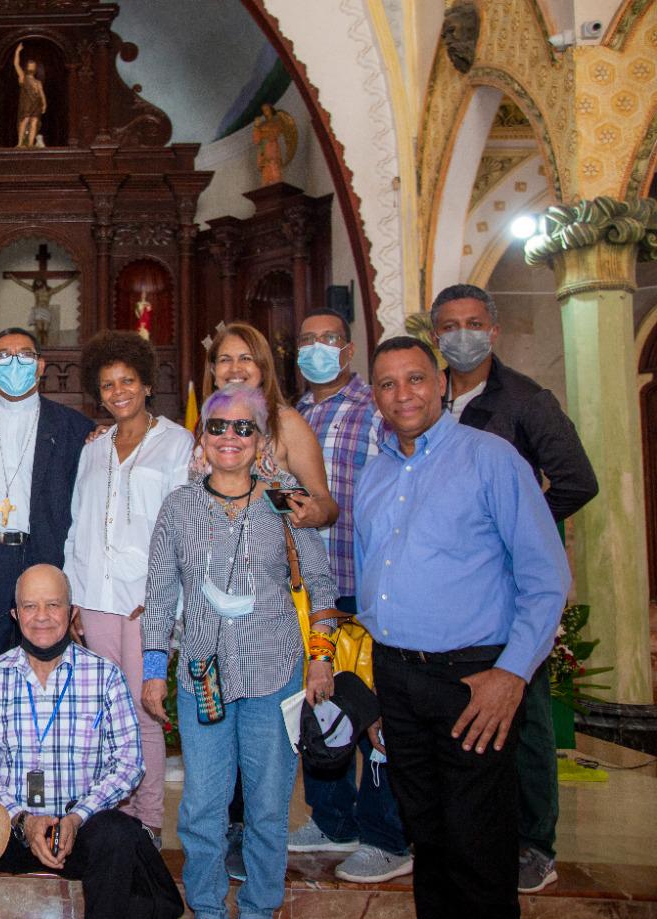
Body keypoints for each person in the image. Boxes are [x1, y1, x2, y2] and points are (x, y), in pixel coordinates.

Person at [355, 336, 571, 919]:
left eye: (416, 378)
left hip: (474, 679)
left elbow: (545, 577)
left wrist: (510, 673)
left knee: (478, 843)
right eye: (387, 383)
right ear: (374, 396)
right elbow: (378, 582)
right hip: (399, 676)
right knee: (427, 836)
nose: (403, 394)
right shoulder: (374, 474)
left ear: (443, 384)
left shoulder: (492, 459)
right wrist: (378, 685)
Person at [142, 383, 340, 919]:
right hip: (203, 676)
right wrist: (154, 670)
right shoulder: (179, 506)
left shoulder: (284, 501)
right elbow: (159, 595)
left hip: (274, 674)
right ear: (202, 439)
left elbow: (322, 588)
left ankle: (259, 909)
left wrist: (321, 657)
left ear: (260, 441)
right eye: (217, 427)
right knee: (203, 807)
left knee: (268, 807)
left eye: (243, 427)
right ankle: (206, 908)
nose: (229, 437)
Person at [430, 283, 597, 893]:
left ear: (493, 330)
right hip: (456, 583)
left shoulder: (526, 400)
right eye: (449, 325)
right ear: (435, 336)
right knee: (463, 709)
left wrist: (521, 523)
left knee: (521, 711)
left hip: (515, 581)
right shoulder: (432, 396)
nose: (462, 334)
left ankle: (535, 842)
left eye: (473, 322)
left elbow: (578, 479)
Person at [0, 563, 182, 919]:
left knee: (117, 833)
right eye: (30, 606)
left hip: (80, 830)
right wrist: (23, 819)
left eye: (53, 605)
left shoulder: (104, 676)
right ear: (15, 614)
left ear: (72, 613)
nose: (42, 617)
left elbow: (129, 764)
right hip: (14, 827)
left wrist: (76, 817)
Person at [287, 309, 411, 883]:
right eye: (307, 341)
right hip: (312, 588)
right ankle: (333, 819)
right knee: (322, 703)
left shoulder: (376, 411)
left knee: (376, 712)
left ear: (348, 348)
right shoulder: (292, 414)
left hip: (365, 583)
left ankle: (388, 835)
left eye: (327, 340)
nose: (316, 349)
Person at [63, 330, 191, 846]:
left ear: (145, 385)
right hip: (95, 596)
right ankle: (114, 811)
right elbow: (78, 523)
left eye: (127, 382)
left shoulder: (178, 443)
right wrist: (73, 593)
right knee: (104, 712)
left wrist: (169, 602)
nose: (118, 392)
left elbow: (187, 528)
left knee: (145, 709)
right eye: (108, 384)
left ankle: (149, 819)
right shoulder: (93, 448)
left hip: (147, 602)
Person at [0, 327, 95, 719]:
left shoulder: (73, 427)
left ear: (41, 366)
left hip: (43, 557)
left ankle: (45, 770)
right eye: (4, 356)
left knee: (45, 670)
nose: (15, 363)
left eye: (25, 356)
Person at [203, 322, 337, 528]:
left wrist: (307, 509)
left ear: (263, 368)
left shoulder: (286, 422)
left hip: (270, 552)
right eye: (225, 360)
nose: (235, 368)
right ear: (213, 370)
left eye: (246, 358)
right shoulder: (207, 422)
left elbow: (325, 503)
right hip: (210, 552)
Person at [13, 42, 46, 147]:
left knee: (34, 123)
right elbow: (16, 65)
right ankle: (20, 143)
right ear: (27, 67)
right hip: (27, 103)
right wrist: (17, 52)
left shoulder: (38, 82)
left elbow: (41, 93)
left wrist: (45, 103)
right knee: (25, 120)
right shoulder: (23, 77)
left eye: (33, 66)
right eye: (30, 66)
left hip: (36, 104)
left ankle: (31, 144)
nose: (32, 68)